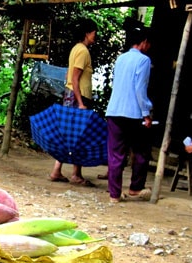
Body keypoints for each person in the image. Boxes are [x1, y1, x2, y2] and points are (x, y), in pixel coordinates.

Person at [105, 26, 154, 203]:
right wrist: (146, 113)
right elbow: (140, 89)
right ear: (144, 42)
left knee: (116, 154)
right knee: (141, 151)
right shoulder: (144, 61)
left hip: (114, 110)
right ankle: (135, 188)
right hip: (133, 114)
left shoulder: (120, 59)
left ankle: (114, 195)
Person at [49, 18, 97, 186]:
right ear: (87, 33)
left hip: (71, 94)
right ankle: (76, 174)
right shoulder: (83, 51)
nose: (95, 36)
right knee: (79, 136)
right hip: (78, 96)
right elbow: (75, 77)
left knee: (68, 135)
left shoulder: (75, 49)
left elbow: (68, 75)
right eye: (93, 33)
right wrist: (81, 103)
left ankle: (57, 169)